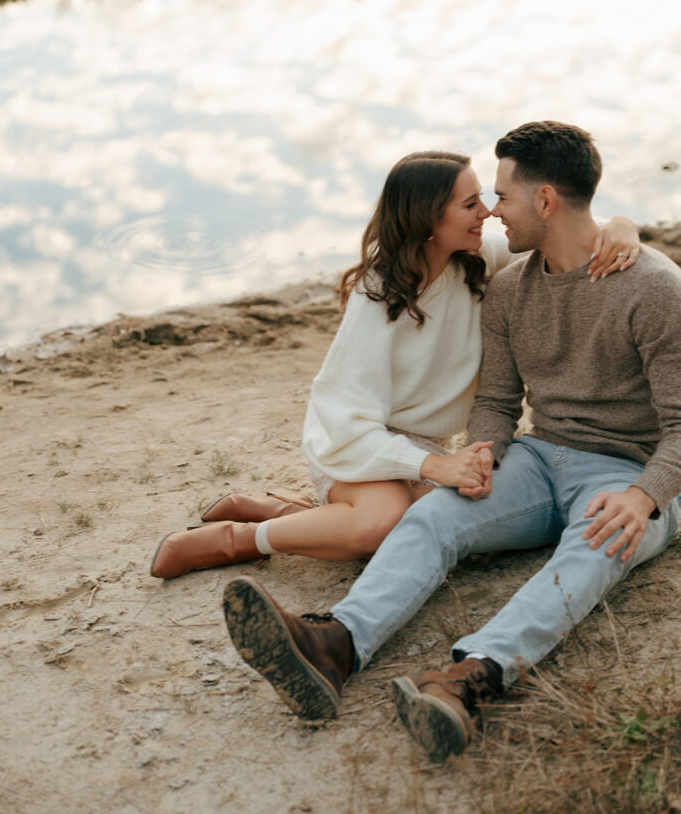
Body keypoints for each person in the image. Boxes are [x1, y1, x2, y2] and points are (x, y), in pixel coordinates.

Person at [220, 121, 681, 761]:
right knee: (435, 511)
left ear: (545, 201)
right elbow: (496, 400)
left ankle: (471, 679)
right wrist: (483, 454)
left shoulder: (654, 286)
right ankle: (336, 644)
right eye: (482, 200)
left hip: (626, 474)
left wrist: (644, 497)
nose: (493, 211)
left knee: (597, 542)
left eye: (503, 197)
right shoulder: (510, 286)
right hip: (539, 459)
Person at [150, 148, 638, 579]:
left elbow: (561, 240)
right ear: (429, 219)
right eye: (471, 204)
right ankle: (232, 540)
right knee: (380, 523)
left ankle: (284, 510)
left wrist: (619, 226)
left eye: (486, 200)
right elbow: (346, 421)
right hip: (356, 443)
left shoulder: (477, 261)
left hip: (425, 445)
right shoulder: (378, 296)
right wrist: (432, 466)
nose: (489, 211)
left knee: (444, 523)